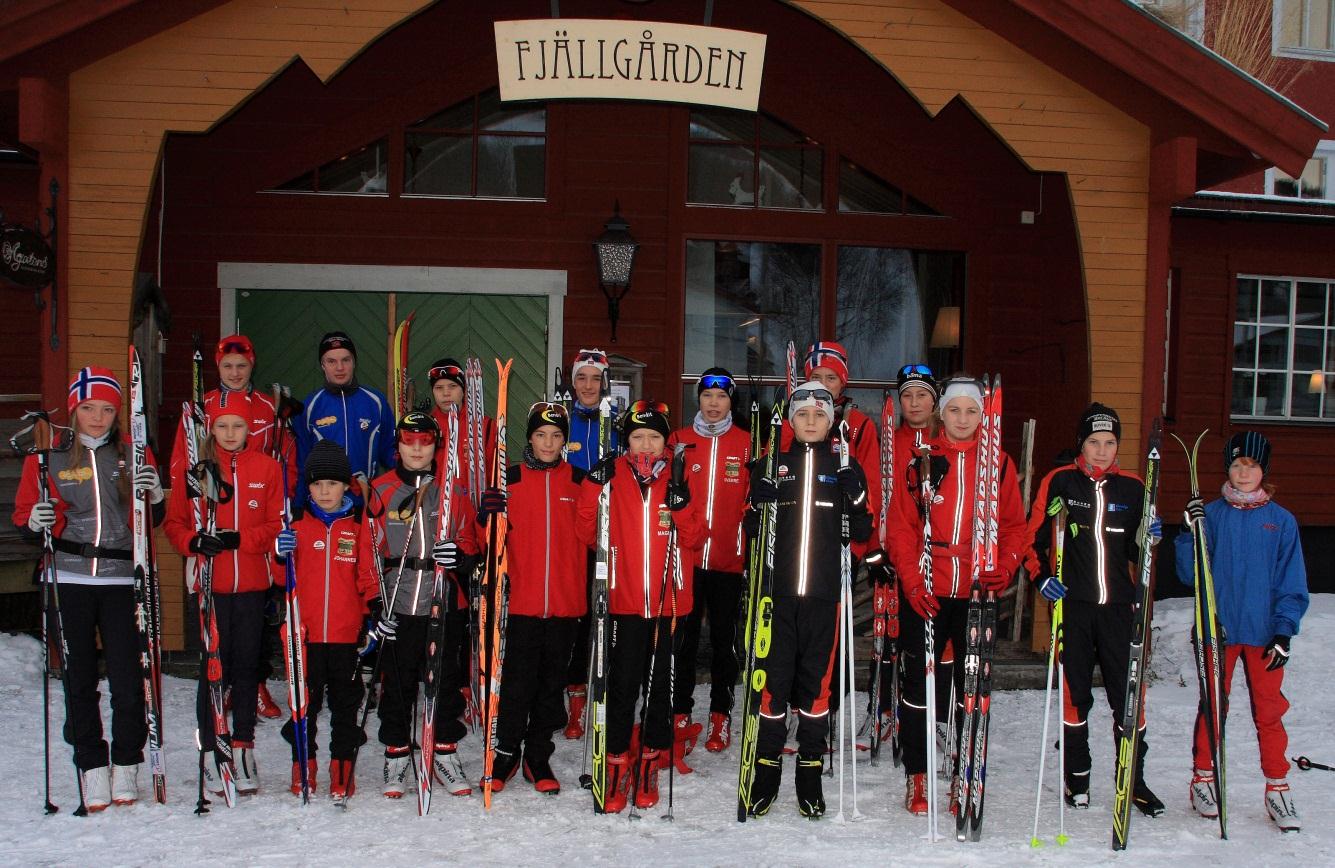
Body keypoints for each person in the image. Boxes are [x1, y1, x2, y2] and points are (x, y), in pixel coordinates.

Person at [12, 367, 165, 810]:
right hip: (69, 575)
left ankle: (126, 763)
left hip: (121, 579)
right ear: (74, 410)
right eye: (88, 409)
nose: (97, 418)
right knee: (78, 678)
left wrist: (154, 497)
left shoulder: (133, 453)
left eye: (106, 410)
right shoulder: (50, 455)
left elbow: (150, 524)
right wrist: (32, 522)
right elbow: (25, 514)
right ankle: (91, 765)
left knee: (127, 678)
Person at [887, 375, 1026, 816]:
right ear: (940, 413)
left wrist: (1005, 566)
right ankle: (919, 774)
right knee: (917, 685)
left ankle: (965, 769)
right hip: (928, 586)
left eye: (971, 411)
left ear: (982, 415)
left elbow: (1014, 527)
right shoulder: (923, 458)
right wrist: (911, 580)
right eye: (954, 410)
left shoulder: (997, 464)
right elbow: (902, 527)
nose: (962, 418)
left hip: (976, 590)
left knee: (971, 687)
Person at [1025, 403, 1164, 816]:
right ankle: (1077, 778)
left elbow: (1140, 553)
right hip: (1074, 608)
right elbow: (1031, 539)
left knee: (1129, 697)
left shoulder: (1135, 487)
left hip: (1120, 608)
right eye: (1093, 442)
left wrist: (1151, 537)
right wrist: (1041, 578)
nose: (1101, 451)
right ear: (1080, 445)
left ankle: (1133, 782)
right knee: (1076, 695)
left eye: (1109, 443)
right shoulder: (1060, 482)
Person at [742, 382, 873, 818]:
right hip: (777, 596)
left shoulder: (844, 466)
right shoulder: (772, 464)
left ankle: (810, 777)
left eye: (819, 415)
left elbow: (862, 533)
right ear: (791, 421)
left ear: (831, 421)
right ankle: (766, 775)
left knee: (816, 691)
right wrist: (753, 509)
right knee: (774, 686)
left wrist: (856, 498)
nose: (811, 422)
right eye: (803, 415)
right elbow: (749, 538)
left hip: (823, 597)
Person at [1175, 431, 1308, 832]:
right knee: (1214, 705)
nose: (1243, 472)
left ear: (1263, 469)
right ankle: (1203, 779)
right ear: (1227, 470)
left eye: (1250, 465)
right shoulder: (1212, 514)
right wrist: (1188, 533)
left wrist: (1284, 632)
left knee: (1269, 711)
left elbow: (1292, 580)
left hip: (1264, 633)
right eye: (1236, 465)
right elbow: (1189, 575)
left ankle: (1277, 788)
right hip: (1219, 629)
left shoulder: (1281, 521)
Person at [576, 401, 704, 813]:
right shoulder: (613, 479)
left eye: (654, 437)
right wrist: (593, 486)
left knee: (662, 690)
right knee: (623, 685)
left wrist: (682, 508)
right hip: (625, 602)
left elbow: (697, 537)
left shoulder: (679, 478)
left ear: (666, 442)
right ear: (626, 442)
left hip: (669, 603)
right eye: (637, 437)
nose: (646, 444)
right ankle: (616, 764)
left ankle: (650, 759)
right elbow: (586, 532)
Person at [165, 390, 284, 795]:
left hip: (252, 582)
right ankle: (212, 746)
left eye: (238, 426)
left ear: (249, 428)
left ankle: (243, 743)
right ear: (210, 428)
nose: (230, 433)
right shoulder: (197, 470)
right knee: (214, 667)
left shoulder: (267, 467)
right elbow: (175, 523)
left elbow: (275, 526)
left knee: (248, 665)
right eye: (222, 426)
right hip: (210, 585)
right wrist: (194, 542)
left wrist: (240, 539)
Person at [173, 334, 296, 722]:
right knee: (217, 646)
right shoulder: (201, 407)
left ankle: (251, 691)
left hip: (255, 529)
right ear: (218, 367)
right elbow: (183, 464)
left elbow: (281, 460)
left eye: (242, 366)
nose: (236, 372)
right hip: (214, 532)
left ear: (252, 366)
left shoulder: (264, 407)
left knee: (251, 636)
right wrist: (193, 519)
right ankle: (216, 715)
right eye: (228, 366)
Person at [369, 410, 481, 800]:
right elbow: (368, 550)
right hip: (398, 601)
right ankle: (398, 753)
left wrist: (462, 557)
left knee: (445, 684)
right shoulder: (380, 489)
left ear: (436, 446)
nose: (416, 449)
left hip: (442, 600)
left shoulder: (453, 489)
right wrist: (373, 607)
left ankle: (445, 752)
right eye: (408, 441)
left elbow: (471, 540)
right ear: (397, 445)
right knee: (397, 683)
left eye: (425, 442)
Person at [486, 401, 587, 795]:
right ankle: (506, 753)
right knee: (516, 683)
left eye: (557, 435)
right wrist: (487, 516)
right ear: (529, 436)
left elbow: (592, 538)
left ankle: (538, 756)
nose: (548, 442)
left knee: (550, 685)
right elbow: (489, 545)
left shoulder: (578, 481)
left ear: (565, 440)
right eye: (541, 434)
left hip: (565, 603)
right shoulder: (509, 480)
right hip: (523, 603)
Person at [274, 441, 378, 801]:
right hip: (305, 637)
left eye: (332, 484)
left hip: (345, 635)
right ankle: (304, 765)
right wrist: (279, 554)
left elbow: (366, 576)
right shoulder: (299, 528)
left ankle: (342, 766)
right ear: (308, 489)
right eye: (317, 485)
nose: (324, 492)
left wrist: (373, 615)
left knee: (346, 706)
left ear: (346, 486)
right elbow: (280, 581)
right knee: (306, 704)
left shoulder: (358, 527)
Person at [858, 363, 942, 752]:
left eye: (921, 395)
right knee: (889, 634)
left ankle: (936, 717)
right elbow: (874, 496)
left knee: (937, 643)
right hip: (893, 553)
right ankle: (885, 711)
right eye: (907, 395)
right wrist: (875, 548)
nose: (914, 402)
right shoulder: (887, 442)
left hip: (938, 559)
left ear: (934, 400)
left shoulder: (948, 440)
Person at [668, 368, 750, 755]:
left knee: (724, 642)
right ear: (697, 399)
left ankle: (721, 714)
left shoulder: (747, 444)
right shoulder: (680, 441)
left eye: (721, 397)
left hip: (728, 560)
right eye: (707, 396)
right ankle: (679, 712)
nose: (714, 404)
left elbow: (755, 501)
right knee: (681, 640)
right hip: (685, 558)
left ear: (731, 401)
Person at [562, 347, 620, 739]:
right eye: (581, 377)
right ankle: (575, 705)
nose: (587, 385)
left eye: (594, 378)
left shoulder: (616, 424)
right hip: (566, 534)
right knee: (575, 619)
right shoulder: (560, 422)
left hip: (608, 532)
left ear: (605, 383)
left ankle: (606, 695)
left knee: (607, 615)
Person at [296, 331, 395, 487]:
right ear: (323, 365)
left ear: (354, 362)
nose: (340, 367)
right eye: (331, 361)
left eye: (346, 360)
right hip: (324, 501)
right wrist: (299, 503)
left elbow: (389, 451)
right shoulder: (310, 405)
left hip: (366, 498)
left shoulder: (375, 401)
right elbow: (302, 461)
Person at [426, 357, 497, 500]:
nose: (446, 393)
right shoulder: (425, 425)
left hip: (474, 509)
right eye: (439, 388)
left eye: (452, 386)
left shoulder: (485, 425)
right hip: (436, 509)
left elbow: (498, 471)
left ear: (464, 389)